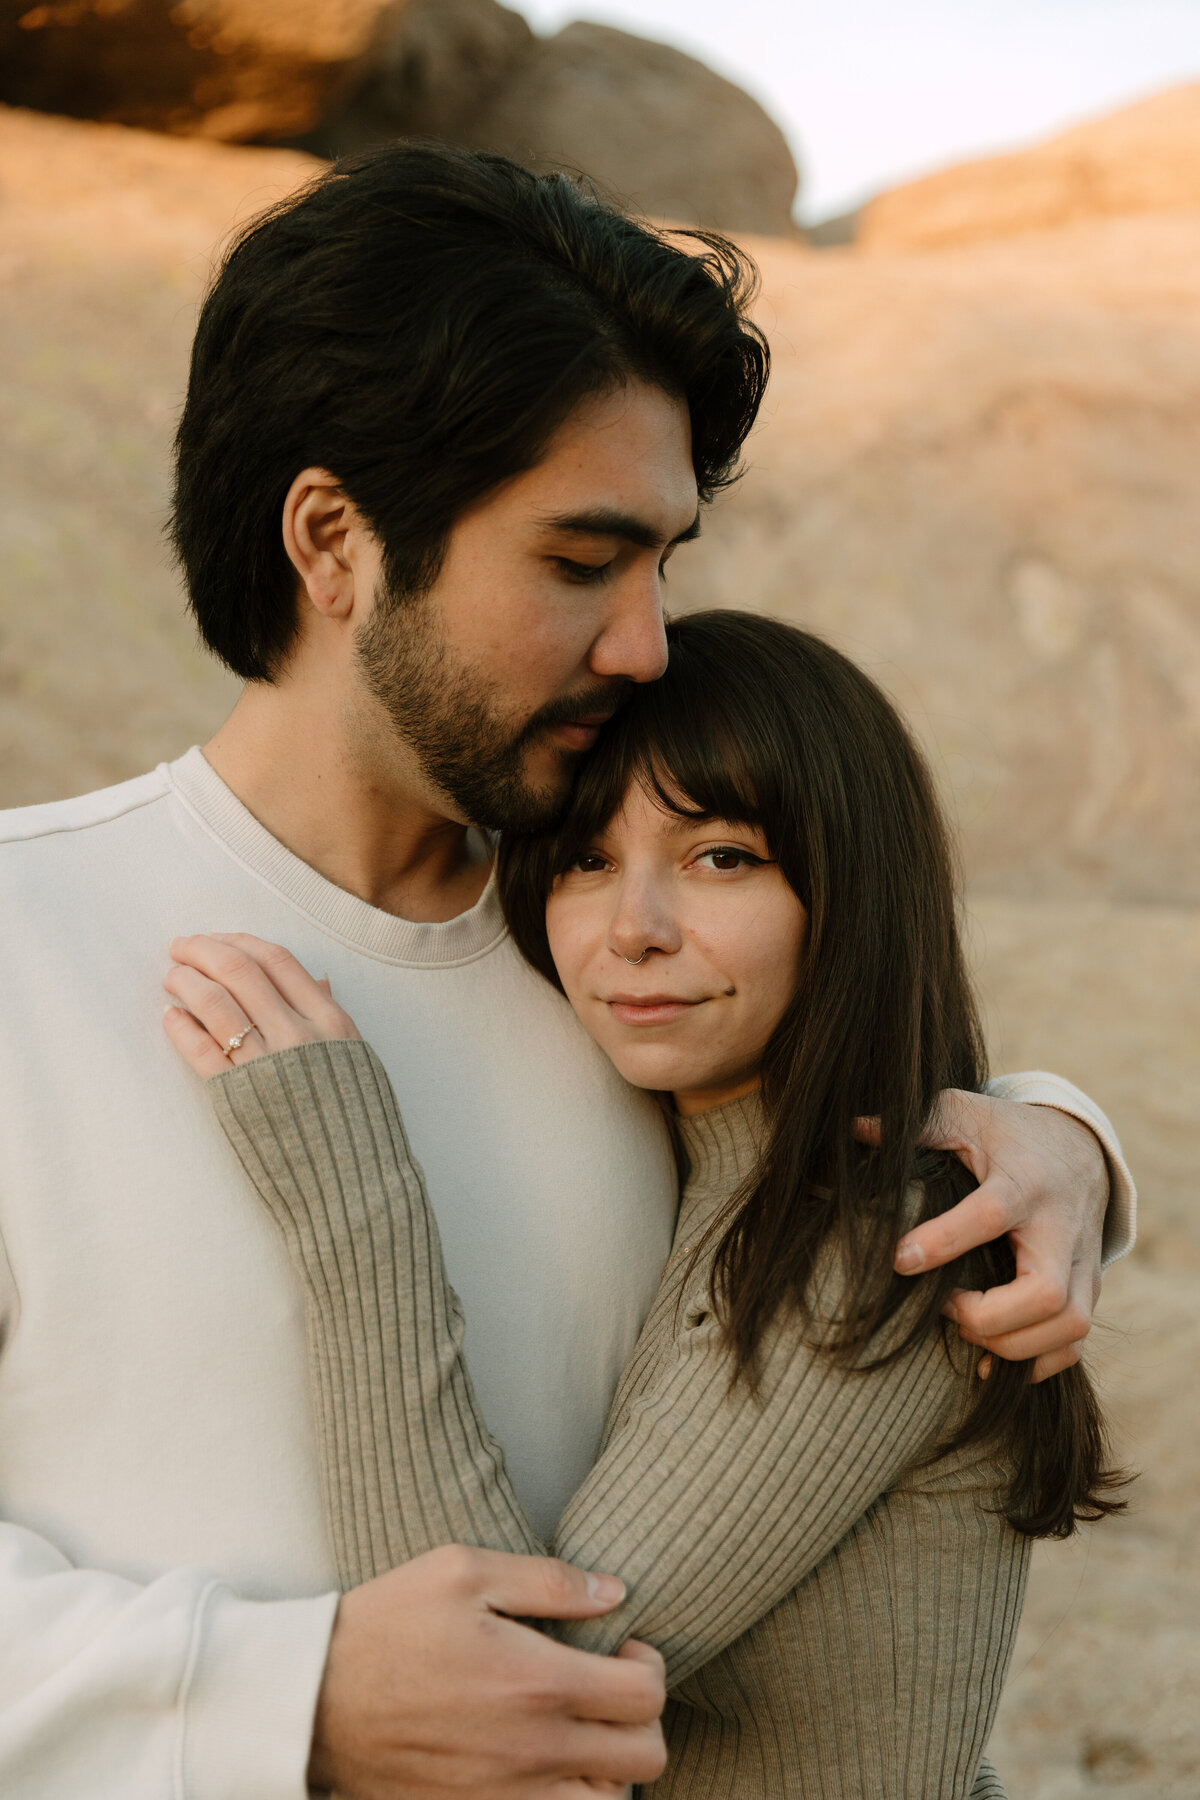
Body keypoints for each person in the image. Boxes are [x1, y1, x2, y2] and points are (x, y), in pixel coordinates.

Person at [0, 144, 1133, 1799]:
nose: (648, 644)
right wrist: (283, 1700)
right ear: (334, 540)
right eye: (580, 560)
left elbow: (858, 1165)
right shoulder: (26, 942)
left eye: (662, 563)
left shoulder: (624, 970)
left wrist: (1060, 1136)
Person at [165, 609, 1128, 1799]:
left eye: (721, 856)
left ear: (848, 888)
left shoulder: (888, 1233)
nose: (635, 932)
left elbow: (516, 1690)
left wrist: (354, 1203)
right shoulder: (704, 1159)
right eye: (584, 860)